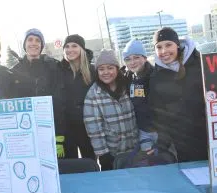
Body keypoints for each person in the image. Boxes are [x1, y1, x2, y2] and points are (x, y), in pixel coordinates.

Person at [149, 27, 208, 162]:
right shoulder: (156, 77)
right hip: (184, 144)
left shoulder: (200, 64)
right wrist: (162, 144)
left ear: (177, 45)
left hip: (209, 136)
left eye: (168, 45)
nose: (164, 51)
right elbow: (160, 115)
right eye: (159, 47)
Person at [10, 28, 66, 158]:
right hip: (26, 133)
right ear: (25, 44)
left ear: (41, 45)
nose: (33, 43)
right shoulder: (15, 71)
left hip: (50, 131)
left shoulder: (52, 67)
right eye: (30, 40)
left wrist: (58, 138)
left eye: (37, 40)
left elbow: (59, 103)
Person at [84, 49, 139, 170]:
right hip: (113, 153)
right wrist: (103, 154)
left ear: (117, 69)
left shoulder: (128, 86)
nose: (106, 72)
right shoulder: (93, 94)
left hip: (135, 149)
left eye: (110, 68)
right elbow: (94, 129)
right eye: (101, 69)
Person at [60, 34, 95, 160]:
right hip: (67, 128)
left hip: (88, 126)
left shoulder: (92, 70)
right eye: (67, 46)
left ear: (82, 49)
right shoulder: (59, 70)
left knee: (90, 162)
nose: (70, 49)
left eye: (74, 46)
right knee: (71, 164)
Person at [122, 39, 157, 152]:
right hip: (143, 131)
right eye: (128, 59)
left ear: (145, 58)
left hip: (160, 132)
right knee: (149, 163)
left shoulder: (155, 76)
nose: (132, 62)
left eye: (136, 57)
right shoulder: (129, 77)